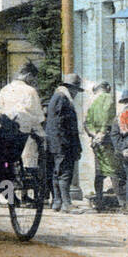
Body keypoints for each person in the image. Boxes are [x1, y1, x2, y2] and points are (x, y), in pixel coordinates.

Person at [44, 73, 87, 213]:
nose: (76, 94)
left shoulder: (58, 97)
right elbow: (60, 124)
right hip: (62, 143)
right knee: (64, 173)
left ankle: (57, 202)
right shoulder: (62, 99)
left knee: (57, 172)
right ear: (70, 88)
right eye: (75, 90)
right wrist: (69, 144)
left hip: (57, 143)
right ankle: (66, 203)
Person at [0, 62, 46, 180]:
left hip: (6, 132)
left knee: (8, 164)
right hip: (24, 134)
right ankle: (31, 189)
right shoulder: (30, 91)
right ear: (28, 75)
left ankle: (10, 195)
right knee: (31, 161)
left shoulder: (5, 89)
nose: (33, 81)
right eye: (33, 78)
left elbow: (0, 107)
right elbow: (38, 116)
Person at [84, 82, 120, 211]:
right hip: (106, 139)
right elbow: (107, 115)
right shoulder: (108, 98)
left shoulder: (92, 102)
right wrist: (102, 133)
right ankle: (123, 203)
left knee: (99, 172)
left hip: (95, 141)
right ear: (107, 88)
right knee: (113, 170)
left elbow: (87, 122)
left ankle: (99, 201)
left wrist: (94, 135)